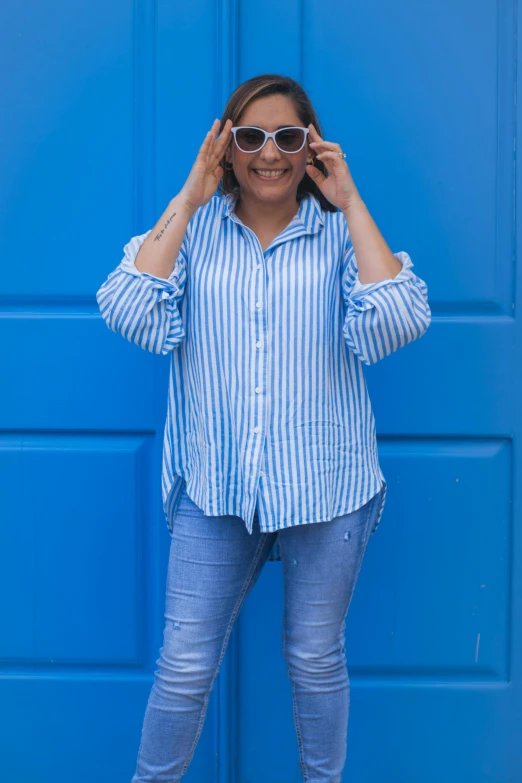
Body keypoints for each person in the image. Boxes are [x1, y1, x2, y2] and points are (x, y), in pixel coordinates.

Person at [96, 73, 431, 782]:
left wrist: (351, 201)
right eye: (250, 137)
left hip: (327, 482)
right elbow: (129, 310)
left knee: (314, 656)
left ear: (312, 145)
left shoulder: (339, 233)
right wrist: (189, 196)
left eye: (288, 136)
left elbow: (397, 321)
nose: (269, 153)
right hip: (216, 484)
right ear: (227, 147)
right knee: (184, 665)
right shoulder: (197, 231)